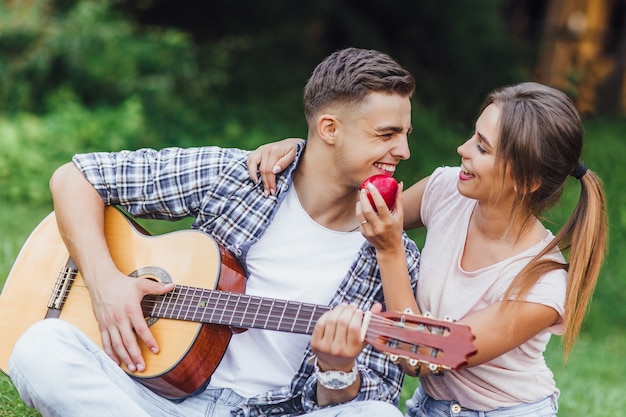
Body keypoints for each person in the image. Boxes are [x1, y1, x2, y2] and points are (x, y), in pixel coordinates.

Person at [7, 48, 421, 417]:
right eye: (386, 135)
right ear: (329, 129)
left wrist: (336, 370)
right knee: (38, 348)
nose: (403, 151)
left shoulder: (391, 254)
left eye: (405, 135)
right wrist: (105, 286)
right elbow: (75, 177)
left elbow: (378, 391)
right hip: (150, 397)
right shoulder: (239, 177)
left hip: (275, 412)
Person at [246, 81, 608, 416]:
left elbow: (416, 358)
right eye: (473, 136)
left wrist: (390, 253)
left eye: (482, 147)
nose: (462, 149)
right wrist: (303, 152)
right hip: (428, 407)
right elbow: (354, 213)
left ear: (528, 181)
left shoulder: (541, 286)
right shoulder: (446, 190)